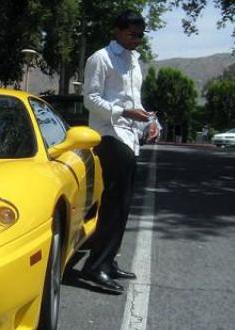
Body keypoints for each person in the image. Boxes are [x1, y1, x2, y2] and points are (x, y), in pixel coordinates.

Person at [80, 10, 159, 292]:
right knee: (114, 203)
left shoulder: (135, 62)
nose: (137, 40)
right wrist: (123, 111)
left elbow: (136, 99)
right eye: (132, 34)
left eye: (140, 35)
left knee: (123, 204)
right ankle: (94, 267)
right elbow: (90, 100)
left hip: (129, 136)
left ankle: (108, 260)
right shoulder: (100, 59)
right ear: (117, 30)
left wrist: (151, 122)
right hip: (108, 135)